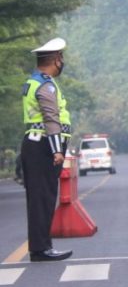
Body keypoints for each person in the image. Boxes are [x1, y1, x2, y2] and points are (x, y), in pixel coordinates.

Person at [21, 38, 73, 261]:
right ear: (55, 60)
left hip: (36, 145)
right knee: (42, 198)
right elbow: (51, 120)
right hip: (43, 146)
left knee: (40, 198)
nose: (62, 62)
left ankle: (41, 247)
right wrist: (56, 151)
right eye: (60, 58)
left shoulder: (34, 81)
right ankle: (41, 249)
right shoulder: (45, 85)